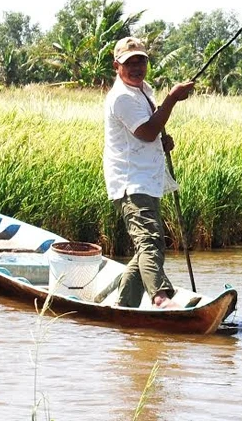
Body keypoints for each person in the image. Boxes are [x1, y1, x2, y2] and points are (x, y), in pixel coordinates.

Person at [103, 36, 195, 309]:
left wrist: (162, 141)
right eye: (129, 63)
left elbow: (150, 130)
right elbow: (145, 132)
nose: (136, 67)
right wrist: (172, 99)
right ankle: (160, 297)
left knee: (147, 245)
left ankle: (125, 306)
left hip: (148, 179)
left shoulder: (144, 89)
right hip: (132, 182)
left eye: (140, 61)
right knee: (150, 240)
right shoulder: (121, 97)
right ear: (116, 66)